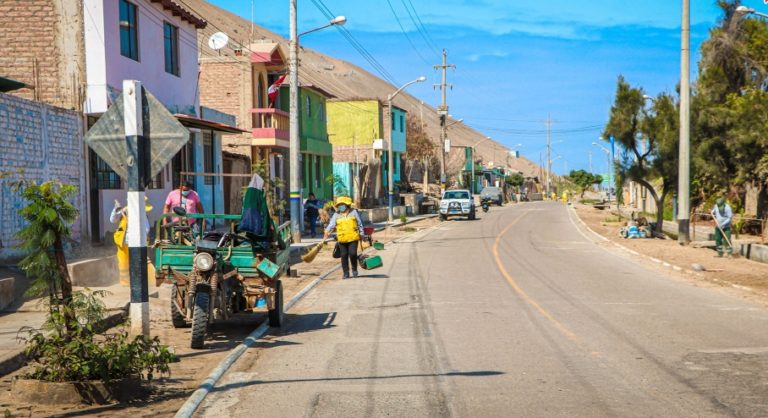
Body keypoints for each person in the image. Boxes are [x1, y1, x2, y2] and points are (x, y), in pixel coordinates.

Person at [111, 196, 152, 286]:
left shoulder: (142, 215)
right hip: (123, 241)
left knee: (138, 263)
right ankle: (125, 283)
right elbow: (113, 220)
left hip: (136, 243)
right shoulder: (124, 211)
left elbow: (146, 230)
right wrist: (116, 209)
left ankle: (141, 282)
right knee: (123, 263)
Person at [324, 196, 365, 279]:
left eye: (342, 204)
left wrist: (362, 234)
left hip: (353, 237)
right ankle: (346, 273)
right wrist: (327, 231)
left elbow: (359, 223)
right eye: (339, 205)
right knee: (344, 255)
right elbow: (331, 224)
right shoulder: (336, 215)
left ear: (347, 205)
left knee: (353, 254)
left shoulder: (353, 212)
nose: (340, 206)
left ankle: (354, 270)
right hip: (342, 239)